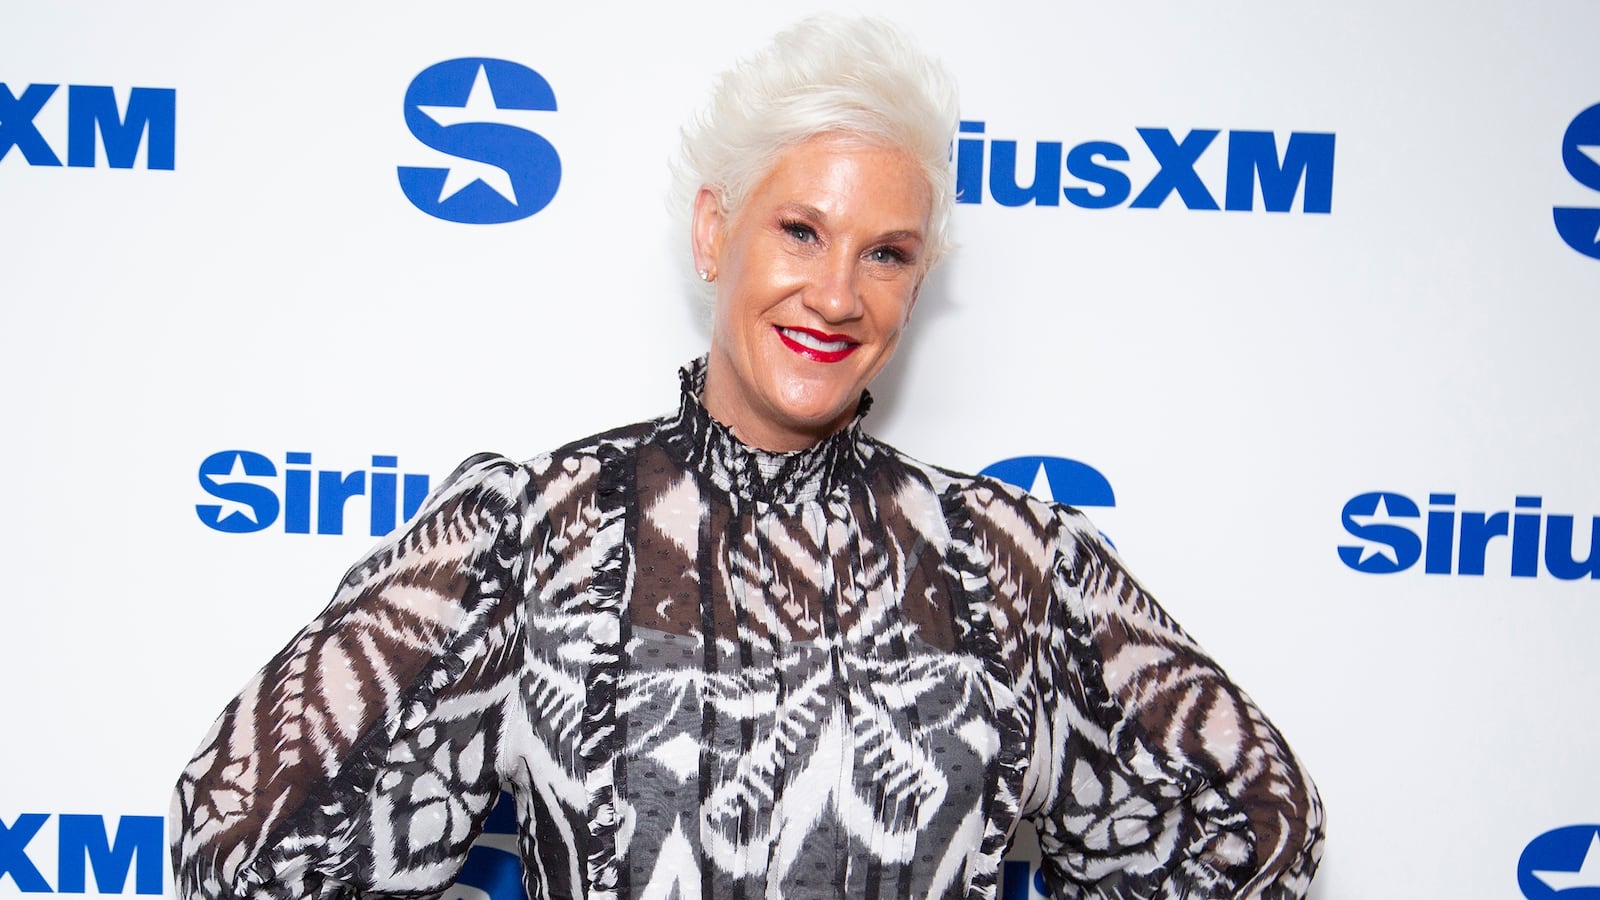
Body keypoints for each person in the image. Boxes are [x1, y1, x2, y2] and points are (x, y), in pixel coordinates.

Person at [171, 15, 1323, 900]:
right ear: (716, 229)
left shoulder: (1008, 562)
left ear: (917, 282)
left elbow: (1258, 823)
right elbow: (245, 842)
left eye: (886, 253)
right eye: (802, 230)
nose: (836, 293)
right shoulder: (541, 534)